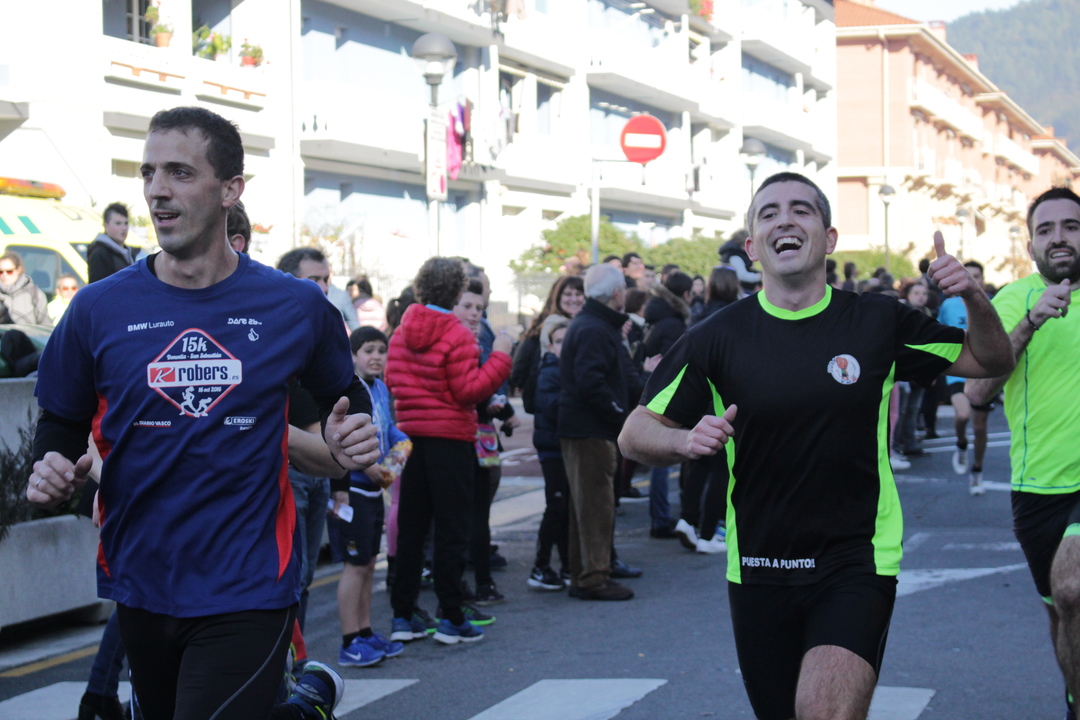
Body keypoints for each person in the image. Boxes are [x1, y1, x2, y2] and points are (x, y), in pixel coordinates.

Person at [26, 106, 382, 720]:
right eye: (149, 172)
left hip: (250, 580)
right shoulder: (96, 309)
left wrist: (349, 434)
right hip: (142, 576)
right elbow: (61, 420)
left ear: (229, 190)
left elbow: (344, 394)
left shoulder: (294, 305)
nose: (157, 190)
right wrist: (52, 466)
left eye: (180, 172)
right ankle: (304, 707)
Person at [618, 171, 1012, 720]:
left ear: (828, 239)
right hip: (758, 563)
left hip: (855, 558)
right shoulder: (716, 336)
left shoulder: (877, 321)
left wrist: (971, 295)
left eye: (801, 210)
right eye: (769, 213)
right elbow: (634, 433)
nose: (785, 219)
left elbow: (991, 360)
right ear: (753, 247)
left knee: (824, 711)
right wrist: (685, 439)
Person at [965, 186, 1080, 720]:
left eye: (1071, 226)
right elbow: (977, 393)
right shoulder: (1012, 301)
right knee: (1061, 611)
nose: (1059, 238)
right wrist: (1031, 322)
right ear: (1030, 244)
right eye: (1045, 229)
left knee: (1072, 587)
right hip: (1037, 486)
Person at [385, 256, 512, 645]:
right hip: (451, 439)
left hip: (410, 438)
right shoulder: (457, 333)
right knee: (451, 529)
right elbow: (468, 390)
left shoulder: (402, 331)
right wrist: (502, 355)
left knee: (412, 528)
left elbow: (392, 379)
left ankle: (403, 615)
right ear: (458, 291)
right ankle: (452, 615)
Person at [559, 263, 645, 602]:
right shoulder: (595, 328)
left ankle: (585, 574)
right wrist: (618, 414)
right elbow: (591, 382)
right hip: (590, 431)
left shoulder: (594, 324)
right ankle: (593, 578)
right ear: (616, 293)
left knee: (586, 506)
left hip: (586, 428)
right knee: (596, 506)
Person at [333, 326, 409, 668]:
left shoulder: (380, 387)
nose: (376, 357)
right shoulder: (349, 389)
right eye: (368, 351)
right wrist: (372, 468)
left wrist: (401, 441)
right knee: (354, 566)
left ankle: (365, 632)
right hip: (352, 489)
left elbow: (387, 426)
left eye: (381, 350)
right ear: (353, 356)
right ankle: (349, 641)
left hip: (373, 490)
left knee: (366, 564)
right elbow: (345, 439)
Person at [641, 271, 694, 539]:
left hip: (653, 393)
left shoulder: (659, 317)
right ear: (685, 295)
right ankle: (660, 518)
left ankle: (660, 517)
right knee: (664, 461)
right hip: (666, 396)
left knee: (660, 462)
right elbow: (675, 365)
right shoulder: (673, 323)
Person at [937, 260, 989, 491]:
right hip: (957, 371)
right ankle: (960, 443)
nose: (973, 280)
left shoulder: (992, 304)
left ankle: (977, 470)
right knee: (963, 414)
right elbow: (937, 334)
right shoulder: (949, 305)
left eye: (977, 276)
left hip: (984, 373)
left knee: (980, 427)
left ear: (983, 280)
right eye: (970, 275)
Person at [528, 314, 572, 591]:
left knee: (565, 508)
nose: (563, 345)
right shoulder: (550, 370)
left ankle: (567, 565)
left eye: (568, 340)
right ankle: (540, 566)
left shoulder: (565, 369)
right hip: (552, 449)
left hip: (562, 447)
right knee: (556, 507)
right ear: (550, 345)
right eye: (558, 341)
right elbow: (554, 408)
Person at [509, 274, 584, 415]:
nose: (573, 299)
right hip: (556, 391)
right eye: (568, 294)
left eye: (579, 294)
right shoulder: (554, 323)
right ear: (559, 298)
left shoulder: (581, 322)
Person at [88, 202, 137, 283]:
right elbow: (98, 286)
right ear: (106, 226)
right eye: (118, 223)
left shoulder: (129, 252)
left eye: (126, 223)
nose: (124, 228)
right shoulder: (99, 253)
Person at [0, 252, 49, 325]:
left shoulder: (35, 294)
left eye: (9, 271)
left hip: (27, 332)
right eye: (1, 272)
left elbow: (45, 324)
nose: (4, 275)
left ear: (19, 270)